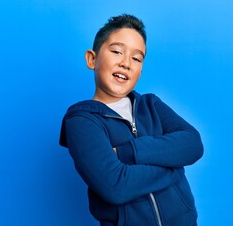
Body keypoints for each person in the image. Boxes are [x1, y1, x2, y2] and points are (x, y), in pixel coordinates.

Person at [59, 14, 203, 226]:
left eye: (136, 58)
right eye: (117, 51)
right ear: (92, 59)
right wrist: (174, 166)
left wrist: (128, 152)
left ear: (140, 70)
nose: (126, 63)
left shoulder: (151, 105)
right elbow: (116, 186)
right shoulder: (81, 121)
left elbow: (192, 144)